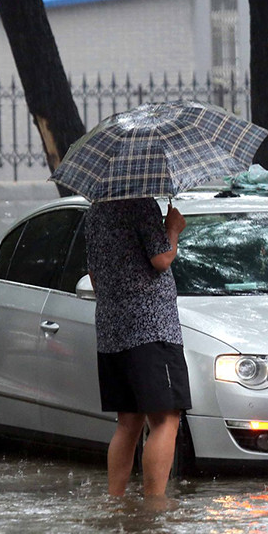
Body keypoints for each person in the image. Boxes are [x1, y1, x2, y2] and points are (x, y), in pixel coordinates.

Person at [84, 197, 191, 498]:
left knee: (128, 423)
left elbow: (94, 277)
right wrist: (173, 229)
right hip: (152, 330)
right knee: (165, 419)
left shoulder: (94, 213)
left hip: (112, 330)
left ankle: (116, 500)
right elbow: (162, 259)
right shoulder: (142, 206)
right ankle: (154, 508)